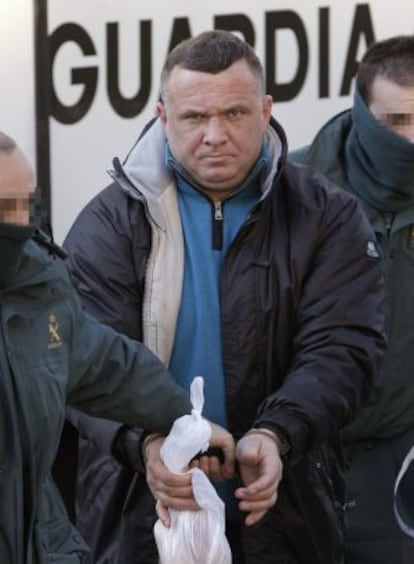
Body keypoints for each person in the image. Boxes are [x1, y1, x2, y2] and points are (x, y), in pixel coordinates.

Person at [63, 30, 385, 564]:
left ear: (265, 111)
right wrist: (147, 446)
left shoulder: (328, 214)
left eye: (235, 114)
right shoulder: (109, 223)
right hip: (139, 513)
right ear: (164, 117)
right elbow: (83, 362)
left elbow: (344, 348)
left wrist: (277, 434)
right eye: (194, 117)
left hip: (288, 508)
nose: (215, 135)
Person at [0, 131, 235, 564]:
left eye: (26, 203)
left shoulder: (38, 279)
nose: (21, 223)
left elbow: (106, 367)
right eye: (5, 211)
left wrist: (186, 420)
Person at [289, 35, 414, 564]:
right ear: (362, 112)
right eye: (396, 123)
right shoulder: (289, 192)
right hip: (295, 458)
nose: (412, 138)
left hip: (401, 466)